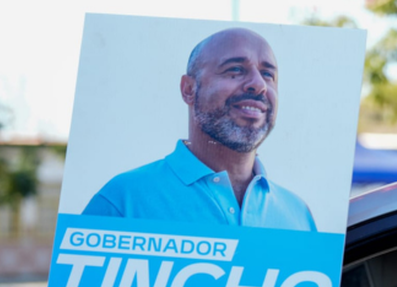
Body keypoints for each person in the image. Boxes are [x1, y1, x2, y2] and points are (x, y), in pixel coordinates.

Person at [82, 28, 316, 231]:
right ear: (188, 89)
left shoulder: (299, 215)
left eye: (268, 74)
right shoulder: (121, 202)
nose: (258, 84)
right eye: (235, 69)